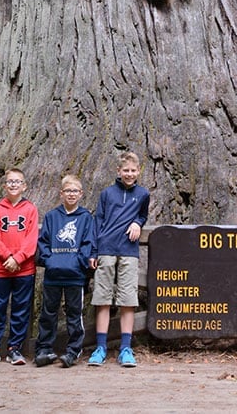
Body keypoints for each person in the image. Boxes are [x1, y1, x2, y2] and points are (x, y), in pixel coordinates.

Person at [88, 151, 150, 368]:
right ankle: (101, 347)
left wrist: (138, 223)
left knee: (127, 299)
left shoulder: (143, 194)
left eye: (133, 170)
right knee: (103, 298)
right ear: (118, 171)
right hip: (106, 249)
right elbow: (98, 221)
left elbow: (143, 215)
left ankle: (126, 348)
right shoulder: (107, 194)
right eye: (126, 170)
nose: (130, 174)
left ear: (139, 171)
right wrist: (94, 251)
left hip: (129, 251)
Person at [34, 174, 95, 368]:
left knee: (74, 313)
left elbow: (88, 243)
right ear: (61, 193)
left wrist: (79, 262)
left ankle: (73, 351)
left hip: (75, 276)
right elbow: (43, 242)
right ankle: (44, 349)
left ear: (81, 193)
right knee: (48, 313)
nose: (71, 194)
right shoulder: (52, 216)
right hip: (53, 274)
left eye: (75, 191)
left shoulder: (86, 217)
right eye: (68, 190)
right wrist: (49, 261)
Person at [0, 167, 38, 366]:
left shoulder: (30, 209)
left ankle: (15, 349)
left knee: (20, 310)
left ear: (24, 186)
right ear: (5, 186)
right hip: (1, 268)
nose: (14, 185)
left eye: (18, 182)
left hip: (24, 269)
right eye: (10, 182)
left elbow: (31, 240)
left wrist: (18, 258)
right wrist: (8, 257)